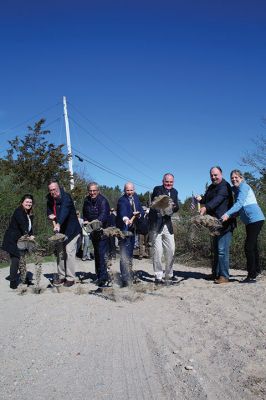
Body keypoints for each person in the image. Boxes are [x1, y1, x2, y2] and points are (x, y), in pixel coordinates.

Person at [221, 169, 265, 283]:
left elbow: (239, 203)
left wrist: (227, 214)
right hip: (250, 221)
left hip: (255, 219)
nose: (234, 179)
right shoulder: (236, 189)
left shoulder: (244, 187)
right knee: (253, 246)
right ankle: (257, 270)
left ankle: (251, 276)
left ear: (241, 178)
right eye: (232, 178)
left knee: (248, 247)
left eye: (236, 177)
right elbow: (240, 207)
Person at [195, 166, 236, 284]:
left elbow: (217, 200)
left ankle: (224, 276)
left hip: (225, 223)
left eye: (216, 175)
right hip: (213, 223)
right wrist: (201, 199)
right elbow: (208, 199)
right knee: (216, 250)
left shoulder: (225, 186)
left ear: (221, 174)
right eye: (212, 175)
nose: (213, 177)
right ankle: (216, 273)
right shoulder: (211, 187)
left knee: (222, 250)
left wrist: (206, 207)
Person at [47, 179, 81, 287]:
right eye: (51, 190)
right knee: (60, 253)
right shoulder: (49, 198)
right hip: (60, 231)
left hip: (72, 230)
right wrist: (50, 215)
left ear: (58, 187)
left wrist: (58, 223)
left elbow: (64, 211)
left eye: (55, 189)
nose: (53, 192)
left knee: (69, 252)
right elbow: (49, 210)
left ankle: (70, 278)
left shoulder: (66, 197)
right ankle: (61, 276)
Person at [149, 173, 179, 284]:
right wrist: (168, 200)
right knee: (158, 251)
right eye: (167, 181)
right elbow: (159, 199)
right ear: (163, 181)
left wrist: (175, 207)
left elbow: (176, 206)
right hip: (156, 224)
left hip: (167, 224)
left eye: (171, 182)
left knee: (171, 249)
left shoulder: (175, 192)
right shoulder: (158, 189)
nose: (169, 184)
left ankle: (169, 274)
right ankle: (158, 276)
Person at [2, 194, 34, 289]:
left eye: (30, 202)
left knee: (22, 259)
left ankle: (24, 278)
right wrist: (28, 235)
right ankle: (13, 282)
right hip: (12, 239)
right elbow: (22, 224)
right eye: (27, 202)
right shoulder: (19, 211)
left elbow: (29, 227)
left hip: (21, 240)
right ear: (22, 202)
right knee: (16, 259)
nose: (29, 204)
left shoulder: (29, 213)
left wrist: (31, 234)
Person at [116, 182, 144, 287]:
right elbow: (122, 212)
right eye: (127, 190)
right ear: (124, 190)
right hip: (124, 230)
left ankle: (129, 274)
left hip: (133, 230)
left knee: (130, 254)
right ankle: (124, 278)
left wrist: (140, 214)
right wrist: (126, 219)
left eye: (131, 190)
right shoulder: (122, 200)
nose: (129, 192)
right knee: (124, 254)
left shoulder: (136, 198)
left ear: (134, 190)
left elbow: (140, 209)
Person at [82, 182, 110, 287]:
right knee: (97, 254)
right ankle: (99, 276)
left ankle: (104, 278)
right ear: (88, 191)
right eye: (90, 191)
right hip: (93, 232)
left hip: (102, 231)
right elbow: (84, 213)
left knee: (102, 255)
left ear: (98, 191)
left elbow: (104, 214)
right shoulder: (86, 201)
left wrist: (96, 222)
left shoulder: (103, 201)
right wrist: (85, 220)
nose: (92, 192)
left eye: (94, 190)